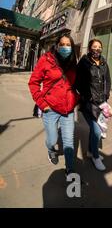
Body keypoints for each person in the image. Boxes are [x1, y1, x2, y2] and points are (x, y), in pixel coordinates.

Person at [28, 33, 79, 177]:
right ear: (56, 46)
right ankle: (51, 151)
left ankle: (70, 169)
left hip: (68, 109)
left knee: (69, 141)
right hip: (50, 108)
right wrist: (43, 104)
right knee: (52, 139)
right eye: (62, 44)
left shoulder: (73, 62)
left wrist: (75, 98)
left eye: (68, 45)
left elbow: (75, 84)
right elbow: (33, 83)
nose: (65, 47)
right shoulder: (46, 60)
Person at [76, 39, 111, 171]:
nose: (97, 49)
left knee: (97, 129)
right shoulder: (84, 62)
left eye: (99, 47)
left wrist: (106, 96)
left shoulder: (103, 62)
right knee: (97, 131)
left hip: (101, 103)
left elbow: (107, 80)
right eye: (94, 47)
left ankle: (91, 151)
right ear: (90, 48)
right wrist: (86, 95)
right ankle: (95, 157)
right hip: (88, 104)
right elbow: (77, 81)